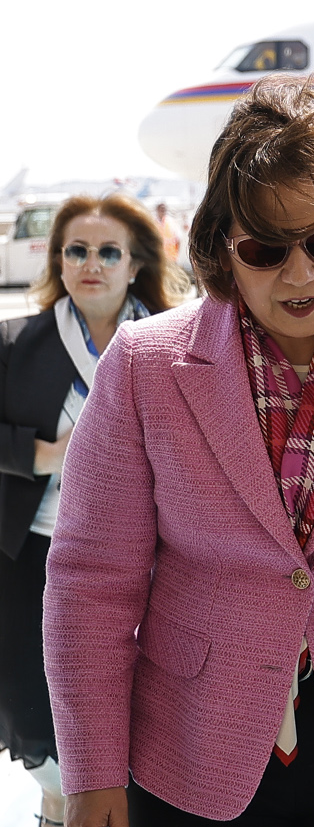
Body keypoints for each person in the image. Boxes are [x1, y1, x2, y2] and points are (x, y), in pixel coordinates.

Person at [44, 78, 314, 825]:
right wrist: (91, 772)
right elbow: (90, 584)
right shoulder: (145, 367)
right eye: (266, 250)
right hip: (193, 757)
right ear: (222, 247)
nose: (300, 274)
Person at [1, 194, 186, 827]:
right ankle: (56, 808)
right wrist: (44, 454)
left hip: (150, 564)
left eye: (109, 252)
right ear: (58, 260)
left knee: (136, 715)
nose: (91, 264)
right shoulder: (16, 341)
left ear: (136, 264)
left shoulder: (173, 345)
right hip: (35, 556)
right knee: (40, 717)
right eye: (76, 250)